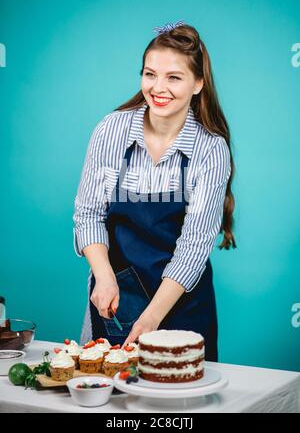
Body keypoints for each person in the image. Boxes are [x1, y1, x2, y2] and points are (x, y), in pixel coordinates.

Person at [73, 21, 236, 361]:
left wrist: (152, 318)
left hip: (182, 305)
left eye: (174, 77)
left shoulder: (210, 149)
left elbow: (194, 246)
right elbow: (88, 213)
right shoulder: (111, 131)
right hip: (119, 298)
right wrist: (104, 278)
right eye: (150, 74)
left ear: (198, 84)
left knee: (181, 399)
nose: (158, 87)